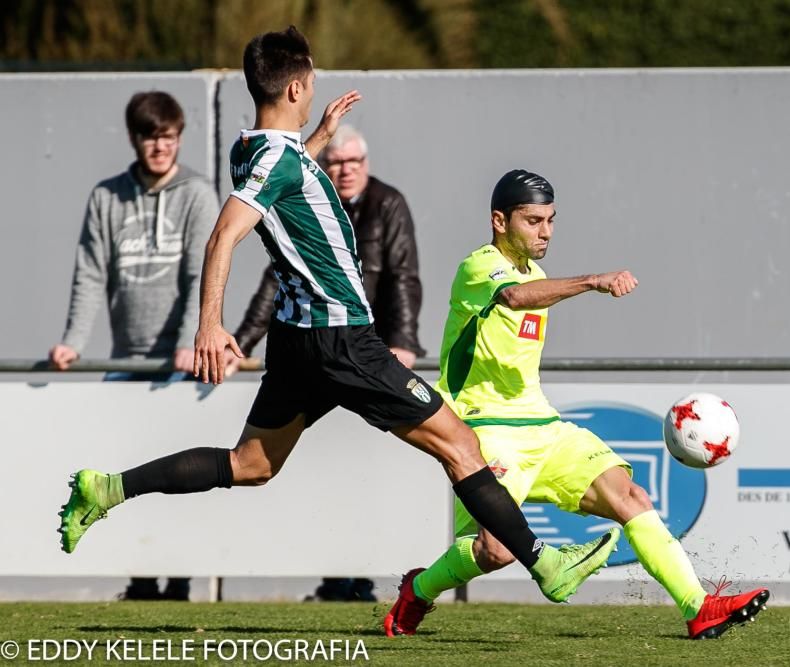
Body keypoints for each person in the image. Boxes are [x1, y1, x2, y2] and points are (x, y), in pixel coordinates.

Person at [57, 26, 618, 607]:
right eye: (312, 82)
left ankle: (108, 488)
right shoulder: (277, 158)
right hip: (339, 337)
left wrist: (319, 136)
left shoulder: (251, 150)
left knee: (249, 464)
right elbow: (224, 234)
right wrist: (210, 323)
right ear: (297, 86)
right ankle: (547, 565)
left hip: (299, 339)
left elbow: (284, 177)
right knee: (461, 445)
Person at [383, 170, 770, 640]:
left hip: (545, 426)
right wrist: (592, 281)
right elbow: (513, 297)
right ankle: (418, 591)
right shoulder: (479, 267)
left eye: (551, 220)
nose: (545, 232)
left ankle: (698, 607)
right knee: (495, 552)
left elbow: (529, 293)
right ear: (499, 221)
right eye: (532, 221)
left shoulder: (540, 275)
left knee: (631, 497)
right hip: (484, 430)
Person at [229, 124, 426, 601]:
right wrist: (242, 340)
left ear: (368, 164)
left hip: (365, 353)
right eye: (336, 162)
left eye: (354, 162)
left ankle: (366, 578)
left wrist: (403, 341)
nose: (345, 171)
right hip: (317, 352)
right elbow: (275, 280)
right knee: (316, 470)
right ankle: (337, 576)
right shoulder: (302, 193)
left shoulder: (387, 203)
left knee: (371, 473)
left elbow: (403, 275)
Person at [49, 91, 218, 601]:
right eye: (150, 136)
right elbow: (89, 273)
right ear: (134, 139)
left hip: (179, 364)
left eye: (168, 136)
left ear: (180, 138)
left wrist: (193, 342)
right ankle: (140, 578)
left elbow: (201, 276)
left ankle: (180, 580)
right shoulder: (107, 197)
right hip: (125, 358)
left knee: (177, 470)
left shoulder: (197, 193)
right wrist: (73, 342)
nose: (160, 146)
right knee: (118, 473)